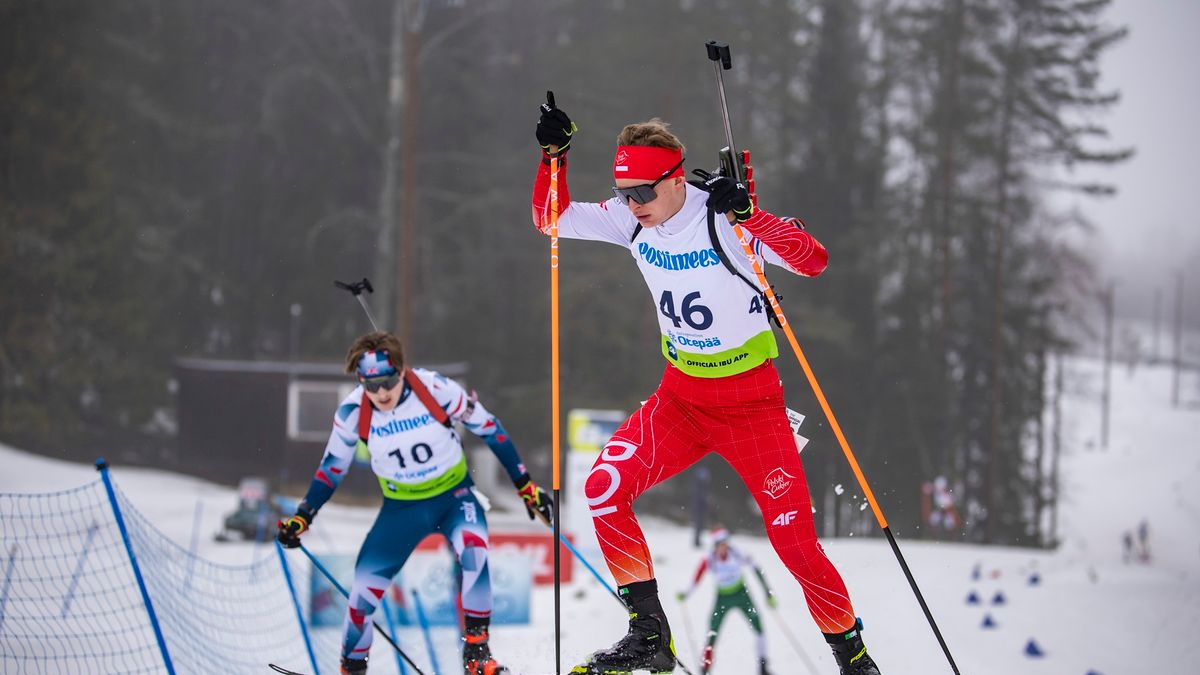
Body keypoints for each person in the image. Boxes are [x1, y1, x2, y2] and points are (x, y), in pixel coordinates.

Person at [532, 98, 881, 675]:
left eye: (644, 191)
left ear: (675, 178)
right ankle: (649, 635)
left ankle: (854, 657)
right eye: (625, 194)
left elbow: (813, 260)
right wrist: (554, 158)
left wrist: (751, 216)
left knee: (795, 546)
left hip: (753, 407)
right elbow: (552, 218)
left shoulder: (725, 216)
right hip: (682, 401)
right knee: (602, 489)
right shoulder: (630, 219)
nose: (633, 205)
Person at [276, 331, 553, 675]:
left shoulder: (435, 389)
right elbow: (330, 471)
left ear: (402, 371)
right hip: (401, 508)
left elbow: (490, 428)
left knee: (474, 550)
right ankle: (352, 667)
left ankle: (477, 655)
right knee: (363, 588)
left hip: (454, 498)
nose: (380, 393)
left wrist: (525, 486)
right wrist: (303, 517)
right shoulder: (352, 412)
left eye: (388, 382)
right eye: (370, 385)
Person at [677, 528, 777, 675]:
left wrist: (767, 592)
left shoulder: (737, 553)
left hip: (742, 595)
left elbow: (756, 568)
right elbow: (697, 578)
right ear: (715, 546)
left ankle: (763, 668)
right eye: (719, 544)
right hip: (722, 599)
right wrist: (686, 593)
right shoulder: (710, 559)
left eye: (724, 544)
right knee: (712, 633)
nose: (722, 547)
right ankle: (705, 669)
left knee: (758, 628)